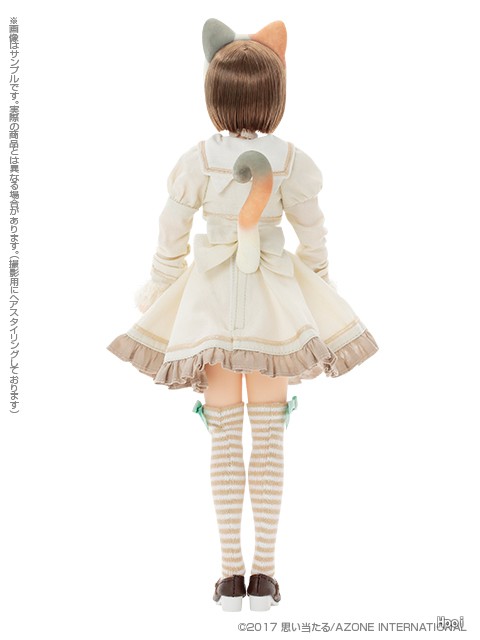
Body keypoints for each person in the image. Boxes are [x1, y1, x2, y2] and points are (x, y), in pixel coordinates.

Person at [107, 18, 378, 612]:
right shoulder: (292, 161)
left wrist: (159, 288)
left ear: (214, 95)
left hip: (209, 305)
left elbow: (170, 235)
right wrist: (318, 286)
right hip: (276, 309)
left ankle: (230, 577)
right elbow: (314, 237)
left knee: (224, 439)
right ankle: (266, 577)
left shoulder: (197, 160)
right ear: (276, 97)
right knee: (271, 440)